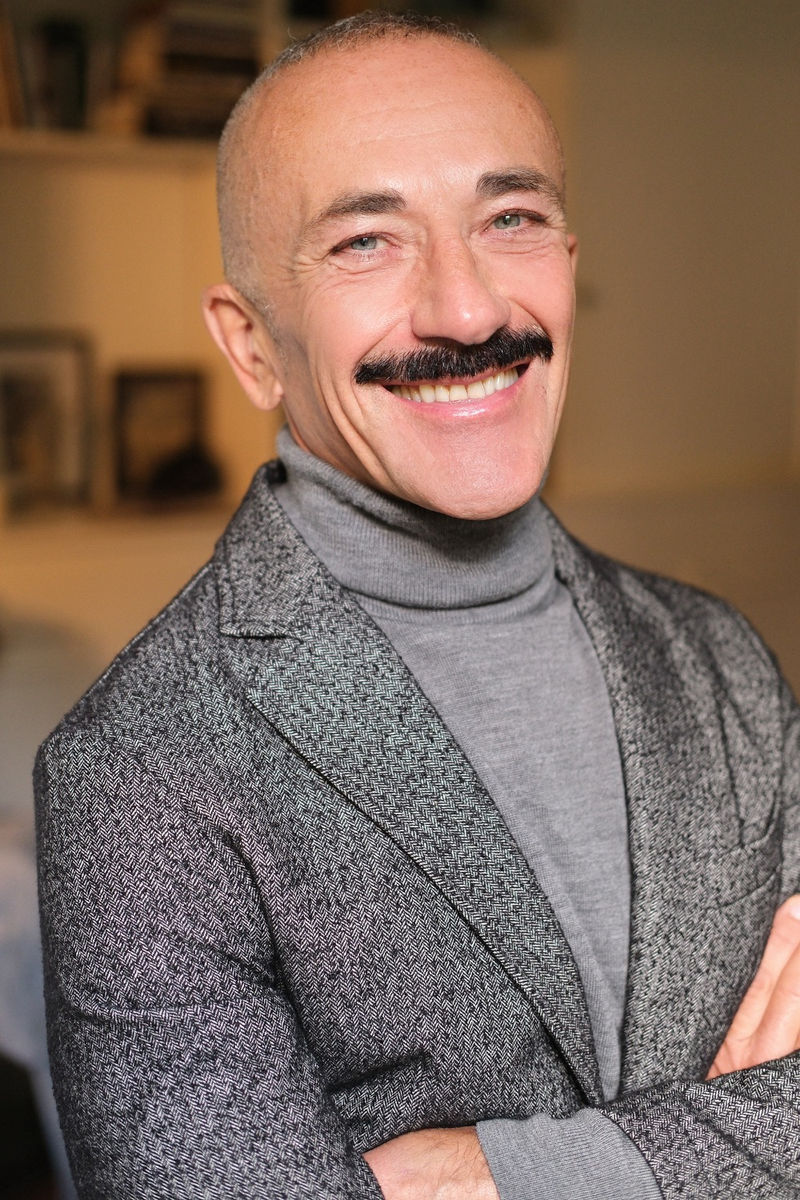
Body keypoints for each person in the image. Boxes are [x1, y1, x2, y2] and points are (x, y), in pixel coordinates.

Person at [35, 12, 800, 1200]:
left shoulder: (717, 660)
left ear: (567, 259)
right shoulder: (137, 770)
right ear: (251, 345)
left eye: (510, 219)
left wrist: (511, 1174)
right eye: (365, 242)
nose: (467, 310)